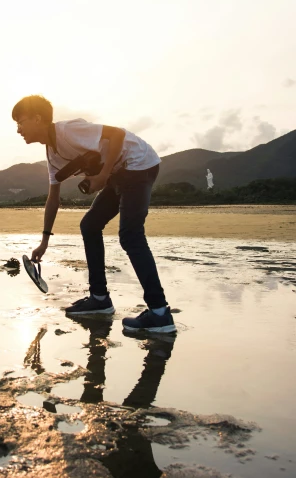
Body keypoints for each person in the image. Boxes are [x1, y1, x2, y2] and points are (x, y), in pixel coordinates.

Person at [12, 95, 176, 333]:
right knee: (89, 226)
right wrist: (44, 240)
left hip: (139, 163)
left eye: (21, 122)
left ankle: (160, 313)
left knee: (130, 236)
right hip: (118, 173)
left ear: (38, 119)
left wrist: (101, 176)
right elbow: (53, 198)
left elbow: (117, 135)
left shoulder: (68, 131)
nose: (18, 130)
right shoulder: (52, 155)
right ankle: (99, 299)